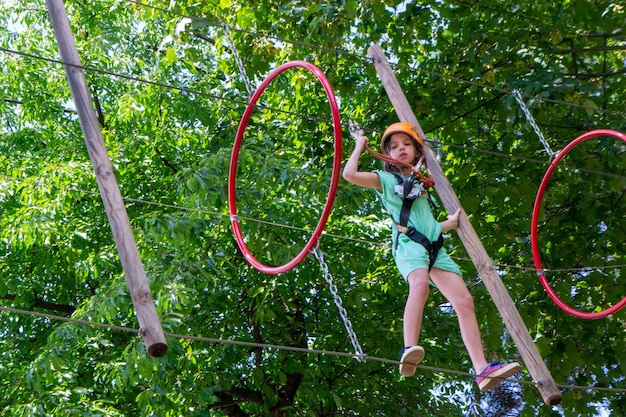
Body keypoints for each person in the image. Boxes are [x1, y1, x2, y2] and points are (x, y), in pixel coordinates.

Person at [342, 121, 520, 391]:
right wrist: (358, 145)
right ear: (387, 155)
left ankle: (482, 369)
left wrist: (450, 223)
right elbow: (349, 175)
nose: (401, 149)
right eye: (395, 146)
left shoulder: (421, 185)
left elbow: (427, 223)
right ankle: (409, 347)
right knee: (420, 285)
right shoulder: (385, 179)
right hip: (409, 244)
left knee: (464, 300)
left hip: (434, 246)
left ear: (416, 151)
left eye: (406, 145)